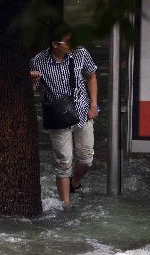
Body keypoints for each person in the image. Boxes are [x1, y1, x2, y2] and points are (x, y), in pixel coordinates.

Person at [30, 24, 99, 209]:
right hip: (58, 118)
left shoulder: (80, 53)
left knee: (86, 159)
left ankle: (75, 182)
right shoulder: (38, 61)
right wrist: (33, 80)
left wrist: (93, 105)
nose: (73, 44)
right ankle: (66, 204)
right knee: (63, 161)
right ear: (55, 44)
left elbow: (91, 76)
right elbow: (30, 92)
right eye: (68, 42)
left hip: (83, 112)